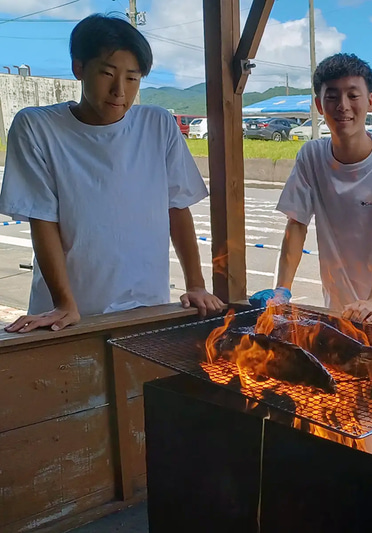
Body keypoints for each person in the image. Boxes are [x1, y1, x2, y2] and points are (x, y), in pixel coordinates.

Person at [0, 14, 224, 333]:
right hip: (68, 318)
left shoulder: (158, 125)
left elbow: (177, 207)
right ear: (79, 68)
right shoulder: (37, 127)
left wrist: (197, 285)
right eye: (107, 74)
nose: (120, 90)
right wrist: (64, 302)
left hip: (147, 308)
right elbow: (43, 220)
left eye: (132, 78)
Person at [249, 53, 372, 322]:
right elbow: (296, 224)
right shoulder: (311, 156)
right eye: (332, 97)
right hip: (339, 312)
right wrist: (283, 289)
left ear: (370, 102)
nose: (343, 106)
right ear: (319, 105)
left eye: (353, 96)